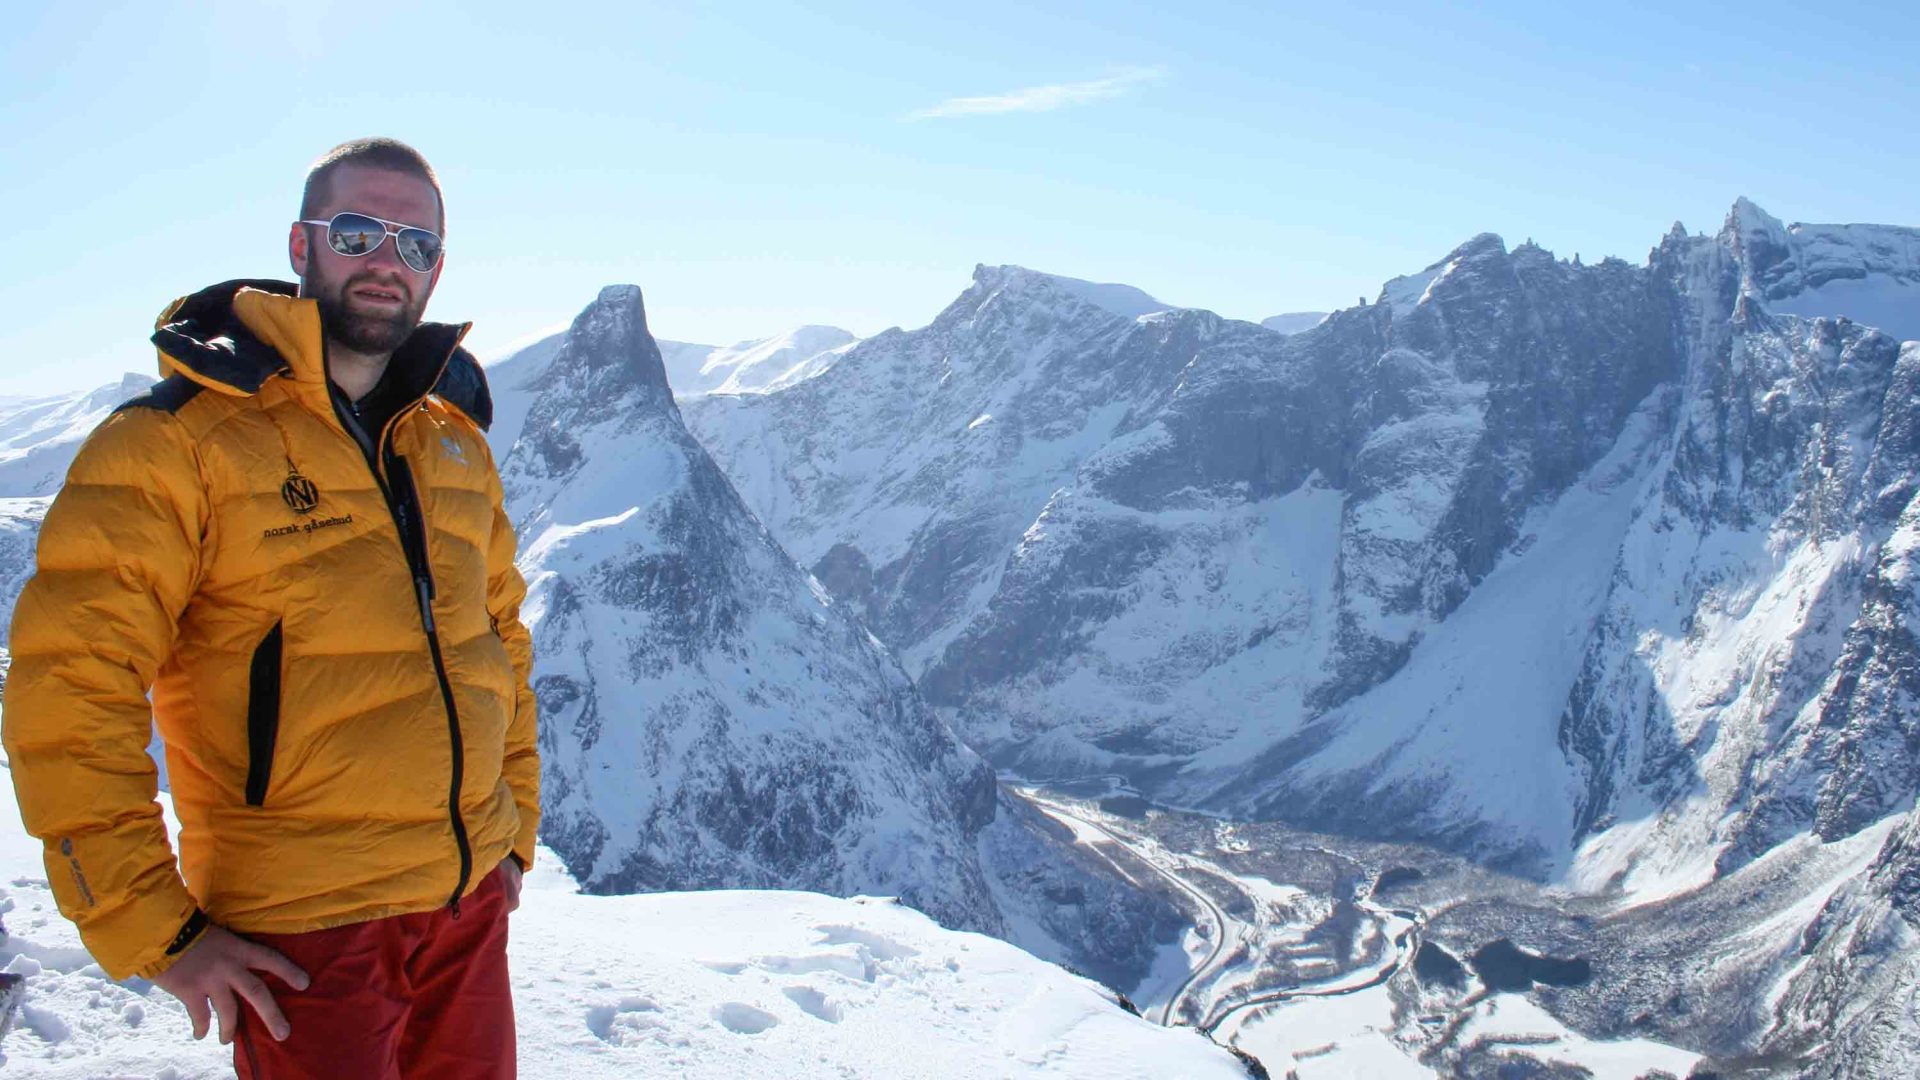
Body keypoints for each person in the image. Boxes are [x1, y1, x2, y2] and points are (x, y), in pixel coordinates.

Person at [2, 137, 539, 1078]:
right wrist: (153, 929)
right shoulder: (176, 442)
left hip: (464, 913)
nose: (388, 261)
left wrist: (512, 836)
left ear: (438, 268)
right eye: (359, 231)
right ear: (302, 248)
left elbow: (500, 645)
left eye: (416, 243)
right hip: (303, 927)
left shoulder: (453, 442)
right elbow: (71, 691)